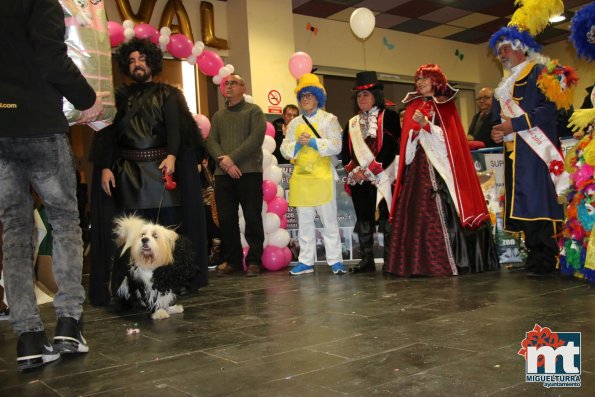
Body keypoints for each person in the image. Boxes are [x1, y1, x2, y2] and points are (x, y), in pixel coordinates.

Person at [0, 0, 104, 371]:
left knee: (15, 230)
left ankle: (28, 336)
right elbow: (50, 57)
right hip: (40, 124)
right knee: (63, 224)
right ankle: (69, 324)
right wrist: (88, 100)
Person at [89, 38, 208, 302]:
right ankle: (133, 290)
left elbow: (176, 129)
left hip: (159, 172)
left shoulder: (169, 94)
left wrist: (173, 156)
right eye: (131, 60)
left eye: (141, 59)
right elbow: (107, 135)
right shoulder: (117, 96)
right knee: (133, 237)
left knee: (164, 235)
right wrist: (106, 167)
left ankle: (168, 287)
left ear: (152, 62)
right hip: (126, 174)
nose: (137, 64)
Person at [386, 64, 498, 277]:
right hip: (419, 166)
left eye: (424, 78)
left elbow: (451, 140)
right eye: (417, 79)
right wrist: (412, 133)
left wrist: (427, 124)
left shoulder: (446, 105)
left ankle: (451, 262)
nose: (419, 83)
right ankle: (416, 263)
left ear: (435, 81)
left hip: (443, 168)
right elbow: (408, 143)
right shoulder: (413, 106)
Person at [489, 27, 568, 277]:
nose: (502, 53)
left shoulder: (541, 71)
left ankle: (547, 259)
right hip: (515, 152)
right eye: (499, 50)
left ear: (521, 47)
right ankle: (534, 256)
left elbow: (550, 109)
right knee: (522, 203)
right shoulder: (503, 84)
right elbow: (498, 120)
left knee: (538, 202)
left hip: (536, 150)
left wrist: (516, 124)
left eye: (506, 48)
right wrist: (498, 132)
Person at [280, 73, 347, 276]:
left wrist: (314, 142)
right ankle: (306, 261)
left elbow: (337, 145)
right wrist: (298, 145)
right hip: (301, 178)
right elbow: (285, 149)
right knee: (305, 222)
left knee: (329, 221)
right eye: (302, 96)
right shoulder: (293, 124)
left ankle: (335, 261)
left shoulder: (330, 120)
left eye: (310, 95)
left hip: (322, 176)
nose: (306, 99)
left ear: (318, 97)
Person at [206, 74, 266, 277]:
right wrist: (225, 163)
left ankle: (254, 261)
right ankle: (233, 261)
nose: (229, 86)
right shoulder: (218, 116)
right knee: (226, 219)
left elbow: (255, 139)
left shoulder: (254, 111)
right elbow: (211, 141)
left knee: (252, 217)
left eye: (234, 83)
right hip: (223, 174)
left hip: (249, 173)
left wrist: (230, 159)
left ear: (243, 88)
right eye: (226, 83)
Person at [341, 71, 400, 273]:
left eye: (366, 94)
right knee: (364, 219)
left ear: (376, 95)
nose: (362, 98)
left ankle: (391, 260)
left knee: (386, 219)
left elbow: (391, 147)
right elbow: (345, 153)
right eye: (359, 95)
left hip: (383, 176)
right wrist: (355, 172)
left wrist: (370, 171)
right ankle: (367, 260)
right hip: (360, 180)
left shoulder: (390, 116)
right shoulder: (351, 123)